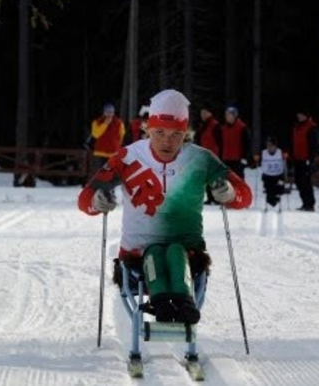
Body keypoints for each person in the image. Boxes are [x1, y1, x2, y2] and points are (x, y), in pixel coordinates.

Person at [78, 89, 252, 324]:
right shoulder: (127, 157)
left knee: (175, 251)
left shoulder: (201, 158)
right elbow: (85, 199)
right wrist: (97, 202)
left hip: (189, 254)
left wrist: (230, 195)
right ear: (147, 129)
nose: (167, 141)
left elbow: (246, 196)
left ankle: (184, 305)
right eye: (159, 132)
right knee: (157, 253)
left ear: (186, 133)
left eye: (176, 134)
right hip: (136, 255)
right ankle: (161, 305)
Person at [291, 110, 318, 211]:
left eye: (301, 115)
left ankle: (310, 204)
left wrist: (311, 159)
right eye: (298, 114)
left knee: (306, 181)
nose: (299, 116)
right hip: (297, 158)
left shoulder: (311, 127)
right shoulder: (297, 126)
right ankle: (304, 202)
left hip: (306, 159)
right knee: (299, 181)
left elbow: (314, 145)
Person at [90, 103, 125, 171]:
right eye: (107, 112)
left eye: (111, 112)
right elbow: (95, 135)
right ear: (104, 113)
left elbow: (121, 136)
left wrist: (116, 146)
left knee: (112, 174)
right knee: (99, 173)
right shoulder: (96, 122)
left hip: (113, 153)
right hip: (100, 153)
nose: (109, 114)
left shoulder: (119, 123)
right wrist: (105, 124)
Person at [197, 107, 221, 204]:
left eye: (204, 113)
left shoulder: (215, 125)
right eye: (201, 113)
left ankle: (217, 198)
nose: (202, 115)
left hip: (213, 155)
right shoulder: (203, 125)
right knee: (207, 178)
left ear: (210, 113)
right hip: (205, 155)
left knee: (214, 178)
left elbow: (220, 141)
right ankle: (211, 197)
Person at [220, 106, 251, 178]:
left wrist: (245, 157)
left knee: (238, 180)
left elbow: (246, 144)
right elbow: (221, 144)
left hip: (237, 160)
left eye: (229, 115)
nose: (227, 117)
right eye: (226, 115)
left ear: (234, 116)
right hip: (226, 159)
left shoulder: (242, 127)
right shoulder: (223, 128)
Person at [260, 137, 286, 210]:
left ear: (275, 146)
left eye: (271, 145)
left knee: (279, 189)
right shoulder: (264, 153)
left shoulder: (280, 152)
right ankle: (272, 200)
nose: (270, 147)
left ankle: (276, 197)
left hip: (278, 176)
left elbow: (287, 163)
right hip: (267, 176)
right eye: (268, 145)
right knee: (270, 193)